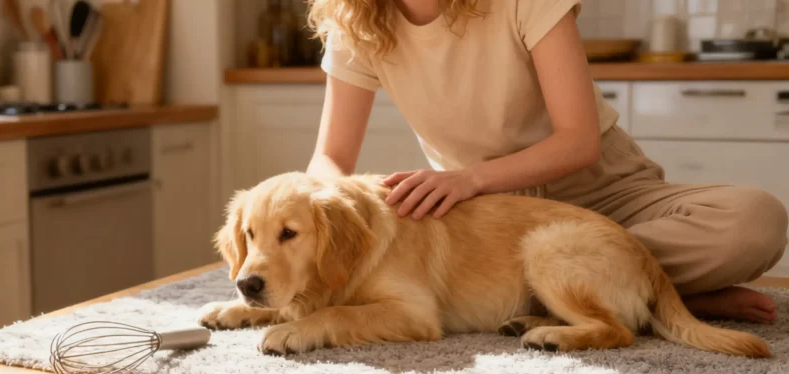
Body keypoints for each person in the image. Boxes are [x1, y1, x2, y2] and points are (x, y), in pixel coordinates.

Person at [305, 0, 788, 323]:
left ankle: (610, 290)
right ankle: (643, 296)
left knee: (754, 220)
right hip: (492, 222)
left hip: (604, 191)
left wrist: (469, 178)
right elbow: (331, 157)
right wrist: (322, 204)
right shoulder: (355, 22)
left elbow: (578, 141)